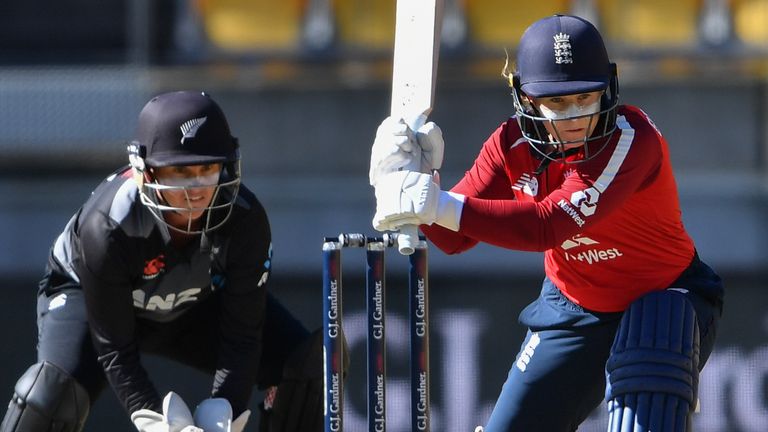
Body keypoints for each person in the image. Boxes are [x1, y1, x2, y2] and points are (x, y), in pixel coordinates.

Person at [369, 14, 724, 432]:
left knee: (650, 373)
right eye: (556, 102)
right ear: (526, 98)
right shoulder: (510, 143)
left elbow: (548, 225)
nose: (573, 116)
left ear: (607, 89)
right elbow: (453, 238)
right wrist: (409, 181)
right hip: (572, 307)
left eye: (585, 98)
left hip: (665, 296)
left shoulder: (632, 140)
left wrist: (435, 204)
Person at [1, 91, 324, 432]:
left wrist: (224, 411)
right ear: (146, 172)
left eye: (207, 168)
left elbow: (243, 337)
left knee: (309, 367)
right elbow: (114, 349)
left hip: (195, 302)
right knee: (48, 395)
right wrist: (153, 418)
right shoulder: (108, 227)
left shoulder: (246, 220)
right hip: (89, 300)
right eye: (179, 172)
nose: (196, 189)